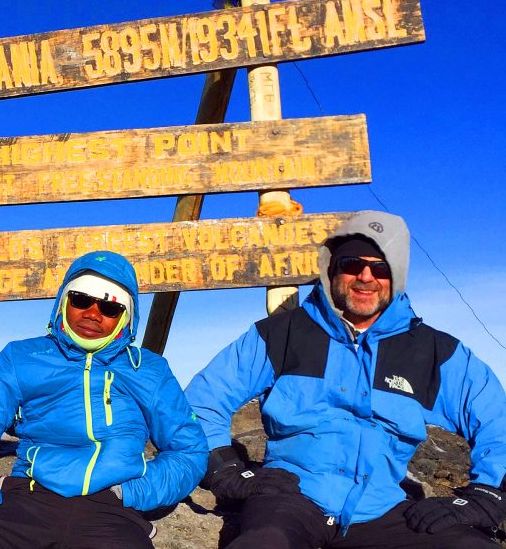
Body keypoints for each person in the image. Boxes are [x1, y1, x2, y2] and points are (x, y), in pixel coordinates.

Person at [185, 210, 506, 548]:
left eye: (381, 267)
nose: (366, 277)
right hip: (290, 501)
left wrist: (488, 494)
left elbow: (496, 418)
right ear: (332, 268)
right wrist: (224, 467)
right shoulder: (281, 334)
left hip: (384, 510)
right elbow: (203, 400)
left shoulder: (433, 351)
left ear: (396, 276)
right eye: (352, 264)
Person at [0, 250, 208, 548]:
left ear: (125, 316)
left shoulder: (149, 370)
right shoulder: (22, 357)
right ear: (64, 301)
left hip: (111, 507)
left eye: (109, 307)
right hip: (29, 498)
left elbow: (189, 448)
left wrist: (138, 490)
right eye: (80, 299)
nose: (92, 313)